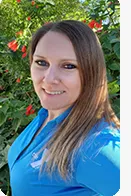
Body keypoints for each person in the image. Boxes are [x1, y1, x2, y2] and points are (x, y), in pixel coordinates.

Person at [8, 20, 120, 196]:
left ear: (91, 73)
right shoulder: (45, 116)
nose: (49, 78)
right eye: (41, 63)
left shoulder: (96, 146)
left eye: (68, 66)